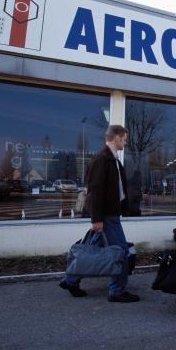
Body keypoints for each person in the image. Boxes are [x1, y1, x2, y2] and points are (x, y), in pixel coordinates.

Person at [60, 125, 140, 303]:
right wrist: (96, 219)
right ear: (117, 138)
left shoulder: (114, 160)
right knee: (121, 251)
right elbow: (94, 191)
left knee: (92, 249)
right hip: (106, 217)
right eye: (125, 138)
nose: (126, 142)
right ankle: (117, 291)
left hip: (111, 215)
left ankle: (70, 280)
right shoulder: (102, 160)